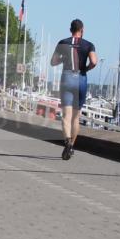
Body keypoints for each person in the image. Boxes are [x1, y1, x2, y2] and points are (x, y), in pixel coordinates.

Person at [50, 19, 97, 160]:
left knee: (66, 116)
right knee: (76, 118)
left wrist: (63, 58)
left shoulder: (62, 42)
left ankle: (67, 144)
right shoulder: (89, 45)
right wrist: (86, 69)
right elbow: (94, 61)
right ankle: (72, 145)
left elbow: (53, 62)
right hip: (80, 79)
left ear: (70, 30)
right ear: (82, 30)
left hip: (67, 77)